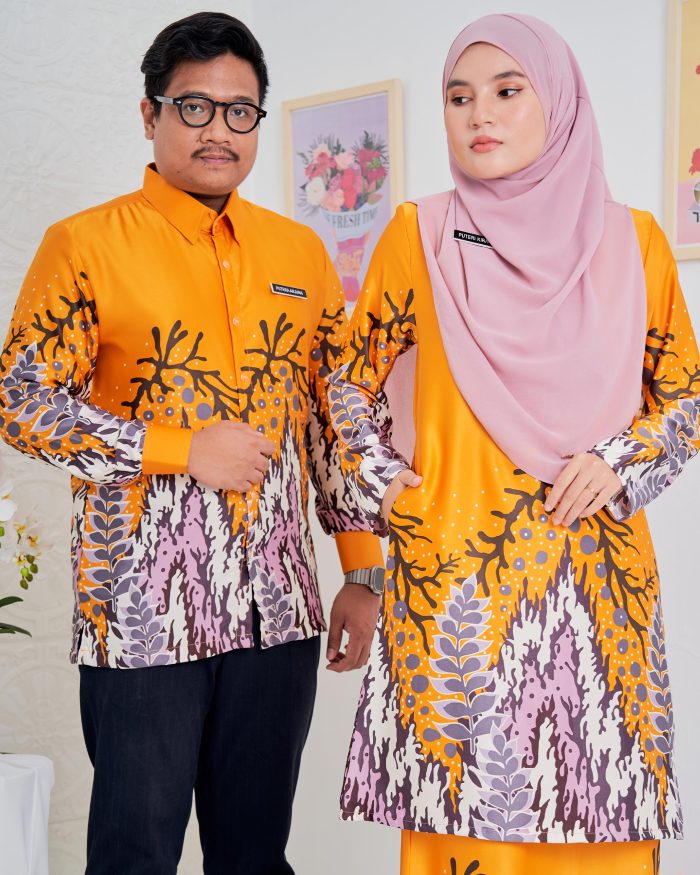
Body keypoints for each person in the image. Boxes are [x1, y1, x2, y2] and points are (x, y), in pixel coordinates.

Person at [0, 11, 384, 875]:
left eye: (240, 111)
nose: (220, 130)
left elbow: (333, 420)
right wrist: (181, 448)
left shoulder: (300, 252)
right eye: (195, 107)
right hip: (143, 617)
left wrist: (362, 570)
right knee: (135, 856)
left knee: (255, 855)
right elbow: (20, 402)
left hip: (276, 611)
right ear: (151, 114)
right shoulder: (85, 245)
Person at [327, 12, 698, 874]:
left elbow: (684, 396)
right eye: (458, 97)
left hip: (594, 585)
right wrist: (389, 486)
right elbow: (346, 381)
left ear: (558, 103)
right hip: (458, 589)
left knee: (595, 813)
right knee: (469, 826)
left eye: (506, 91)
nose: (478, 114)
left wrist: (620, 461)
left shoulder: (636, 241)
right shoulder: (419, 233)